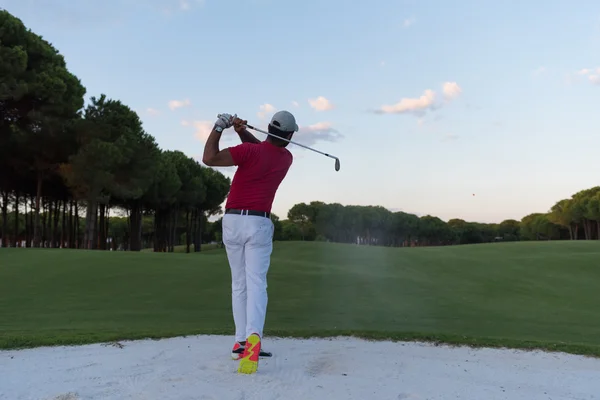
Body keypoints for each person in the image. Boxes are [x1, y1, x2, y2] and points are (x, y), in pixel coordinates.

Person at [202, 111, 298, 374]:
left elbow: (209, 158)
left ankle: (240, 343)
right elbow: (266, 150)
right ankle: (253, 338)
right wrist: (242, 131)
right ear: (289, 136)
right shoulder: (286, 158)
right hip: (259, 224)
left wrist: (220, 127)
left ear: (268, 129)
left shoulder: (247, 153)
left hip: (232, 222)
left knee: (239, 283)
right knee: (256, 283)